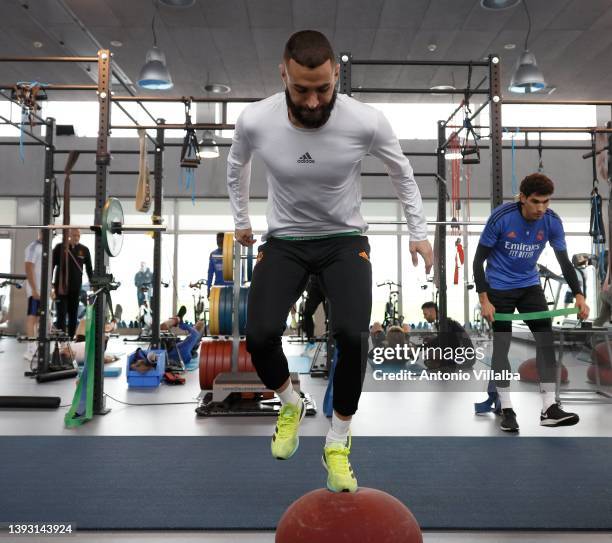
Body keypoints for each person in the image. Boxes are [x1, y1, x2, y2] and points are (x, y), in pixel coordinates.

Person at [227, 30, 432, 492]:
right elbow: (236, 165)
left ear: (337, 74)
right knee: (259, 336)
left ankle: (337, 440)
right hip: (285, 240)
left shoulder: (366, 121)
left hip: (344, 239)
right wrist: (241, 220)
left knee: (354, 337)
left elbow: (402, 171)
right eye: (302, 90)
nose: (315, 101)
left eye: (324, 88)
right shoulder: (255, 120)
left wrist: (418, 233)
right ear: (283, 74)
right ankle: (289, 403)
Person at [473, 173, 589, 433]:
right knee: (501, 348)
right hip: (499, 287)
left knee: (545, 340)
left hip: (528, 285)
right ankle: (507, 409)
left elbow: (564, 262)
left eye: (546, 202)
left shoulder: (551, 221)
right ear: (523, 198)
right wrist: (484, 299)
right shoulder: (501, 218)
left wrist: (579, 294)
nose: (541, 208)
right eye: (536, 202)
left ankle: (549, 408)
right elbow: (477, 261)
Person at [52, 229, 93, 338]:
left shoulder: (84, 250)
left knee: (73, 315)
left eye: (78, 236)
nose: (76, 238)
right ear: (69, 235)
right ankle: (60, 340)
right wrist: (49, 286)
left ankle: (70, 339)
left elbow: (89, 269)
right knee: (61, 314)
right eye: (74, 235)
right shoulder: (59, 248)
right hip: (60, 289)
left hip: (75, 289)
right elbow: (51, 266)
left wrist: (93, 285)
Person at [420, 301, 475, 370]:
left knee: (431, 354)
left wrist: (419, 348)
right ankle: (443, 364)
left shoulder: (445, 323)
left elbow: (444, 342)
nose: (424, 317)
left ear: (432, 312)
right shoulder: (443, 323)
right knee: (430, 356)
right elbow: (447, 339)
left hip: (466, 358)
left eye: (425, 314)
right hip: (462, 355)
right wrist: (434, 339)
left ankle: (445, 365)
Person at [23, 231, 44, 360]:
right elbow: (28, 268)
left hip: (43, 291)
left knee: (38, 319)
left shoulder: (45, 248)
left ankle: (34, 346)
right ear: (40, 233)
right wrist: (34, 289)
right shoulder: (33, 247)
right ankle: (30, 349)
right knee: (32, 318)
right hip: (35, 291)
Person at [301, 274, 328, 353]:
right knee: (307, 313)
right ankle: (310, 343)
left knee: (329, 317)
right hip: (315, 285)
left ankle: (327, 345)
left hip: (327, 285)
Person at [207, 232, 233, 297]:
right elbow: (210, 273)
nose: (219, 243)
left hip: (231, 288)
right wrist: (208, 288)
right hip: (218, 287)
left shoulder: (233, 254)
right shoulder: (213, 254)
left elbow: (241, 271)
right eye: (218, 241)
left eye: (221, 241)